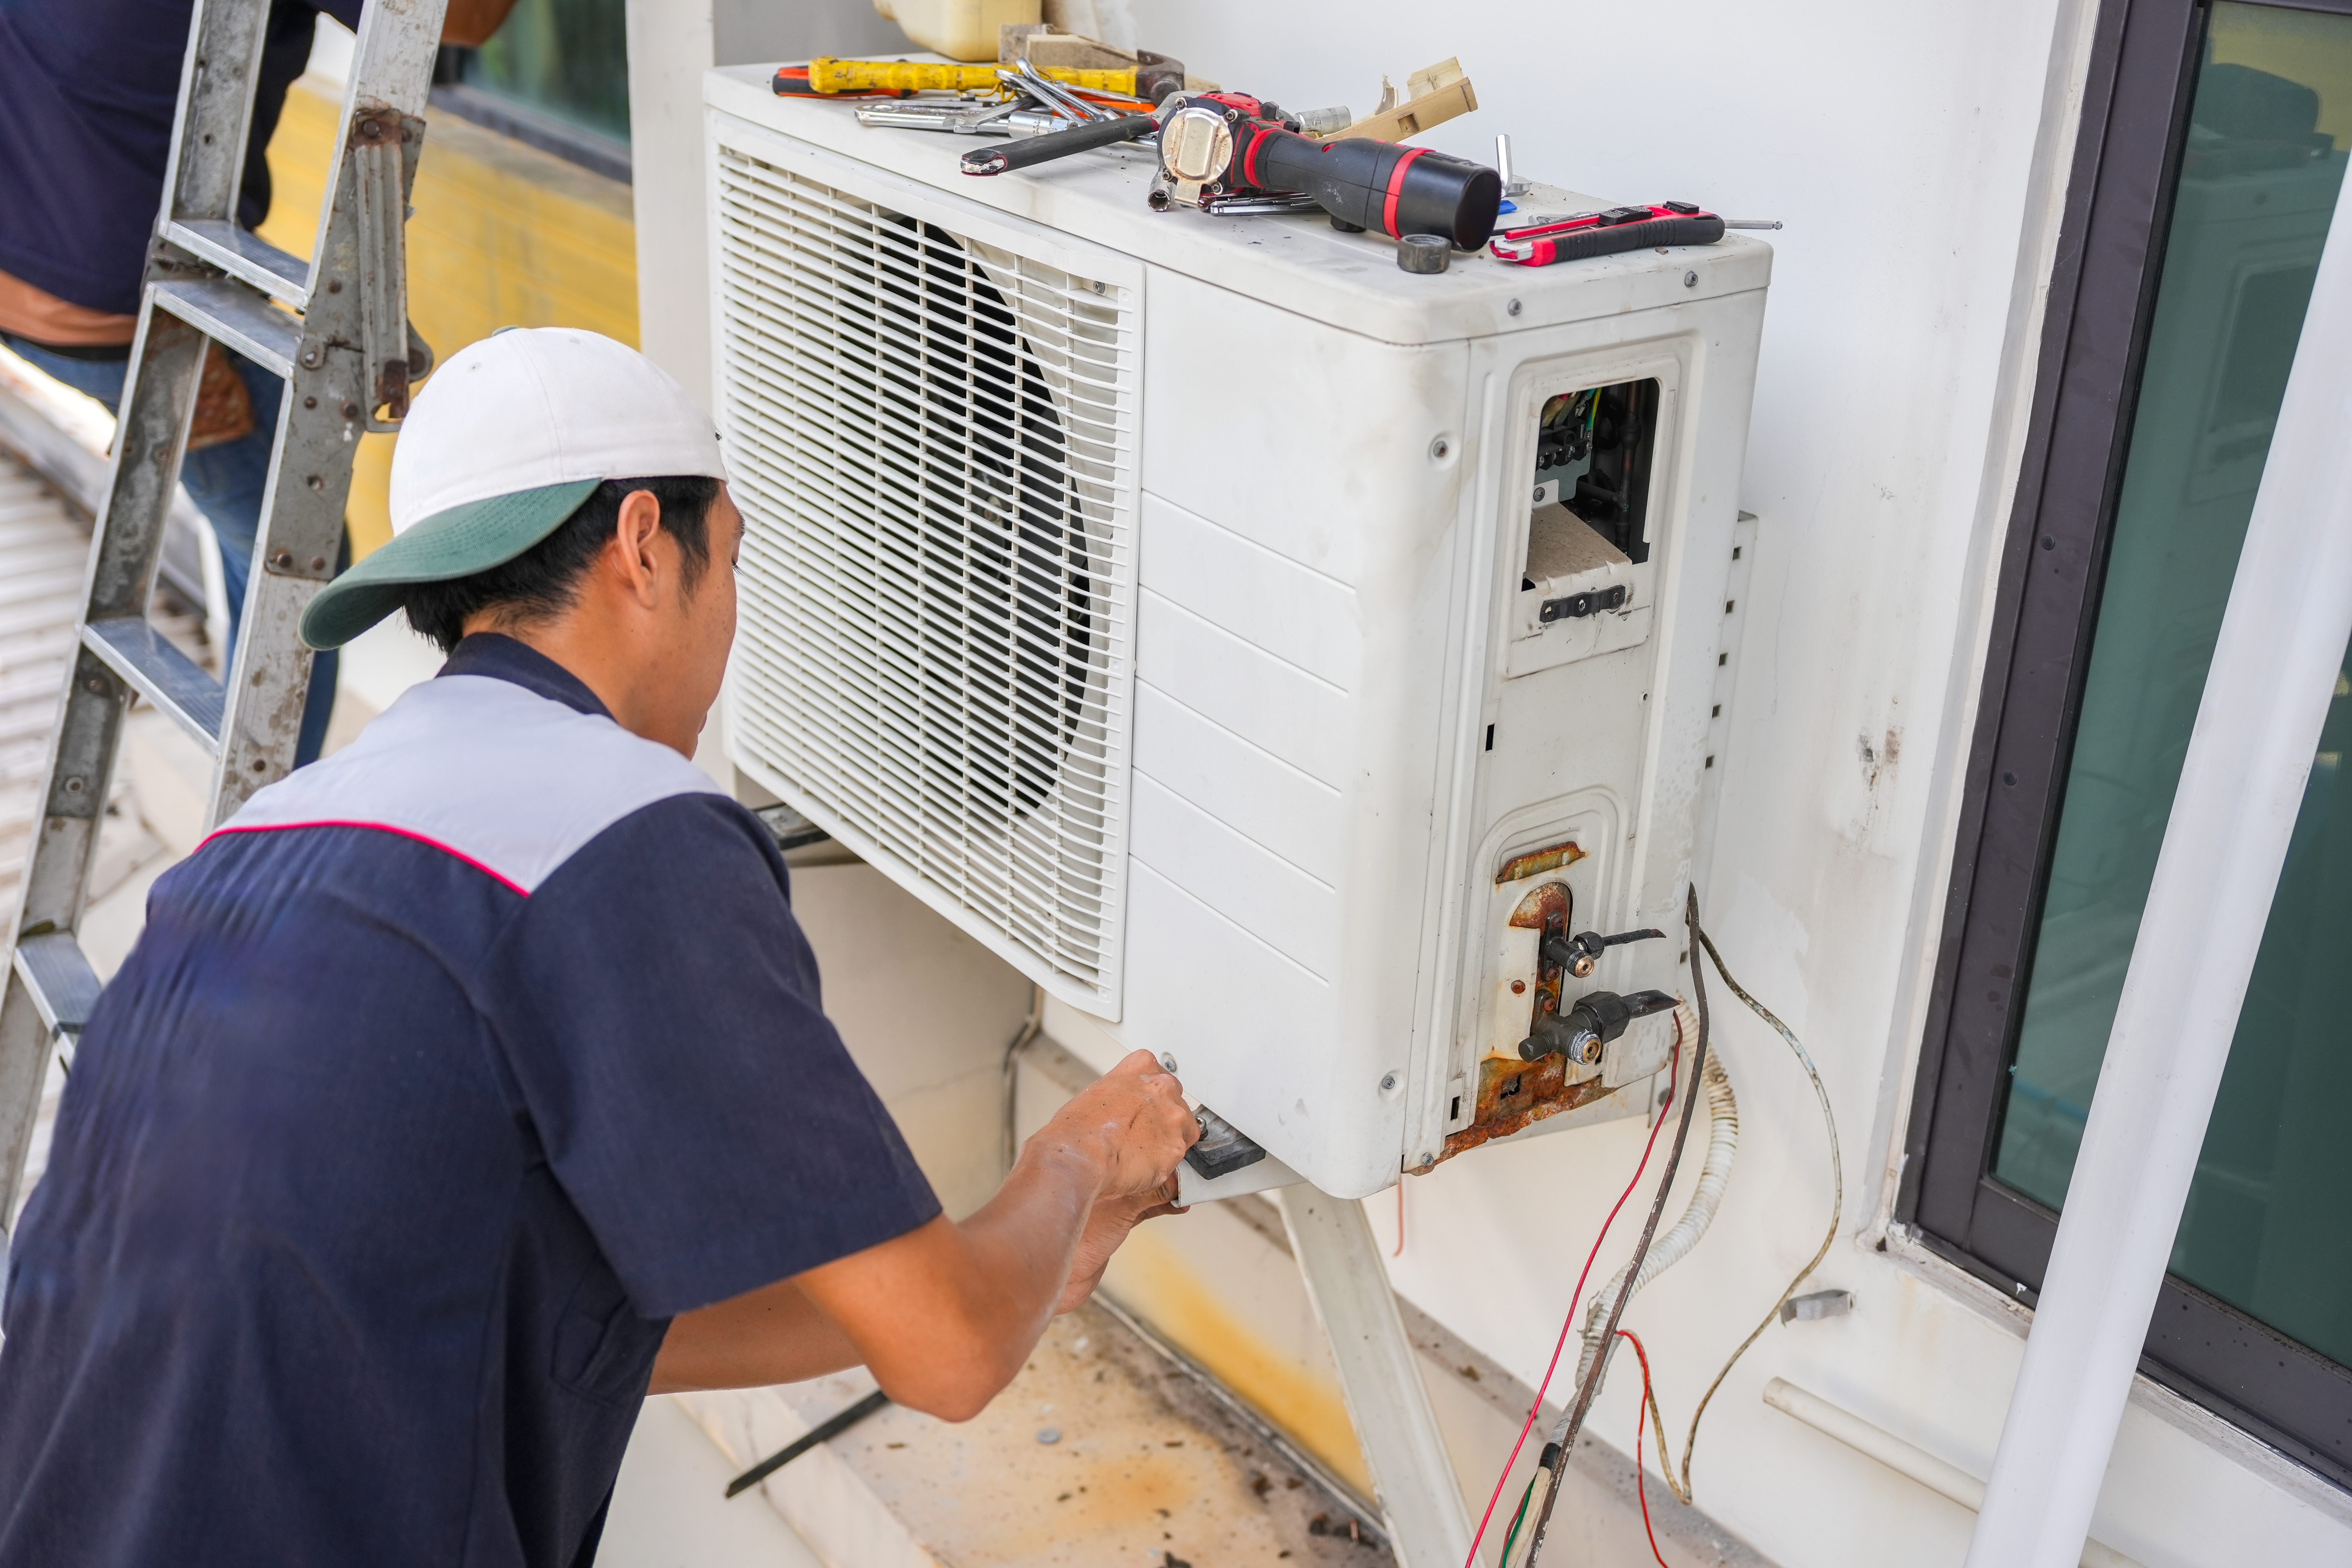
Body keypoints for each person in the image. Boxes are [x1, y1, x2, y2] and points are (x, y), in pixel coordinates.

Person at [0, 327, 1202, 1567]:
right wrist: (1073, 1164)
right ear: (642, 543)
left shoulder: (254, 843)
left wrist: (989, 1273)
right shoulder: (620, 827)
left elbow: (516, 1325)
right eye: (730, 559)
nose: (731, 620)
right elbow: (950, 1357)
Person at [0, 0, 520, 761]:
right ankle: (260, 829)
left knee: (272, 548)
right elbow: (459, 19)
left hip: (34, 260)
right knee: (299, 576)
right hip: (115, 301)